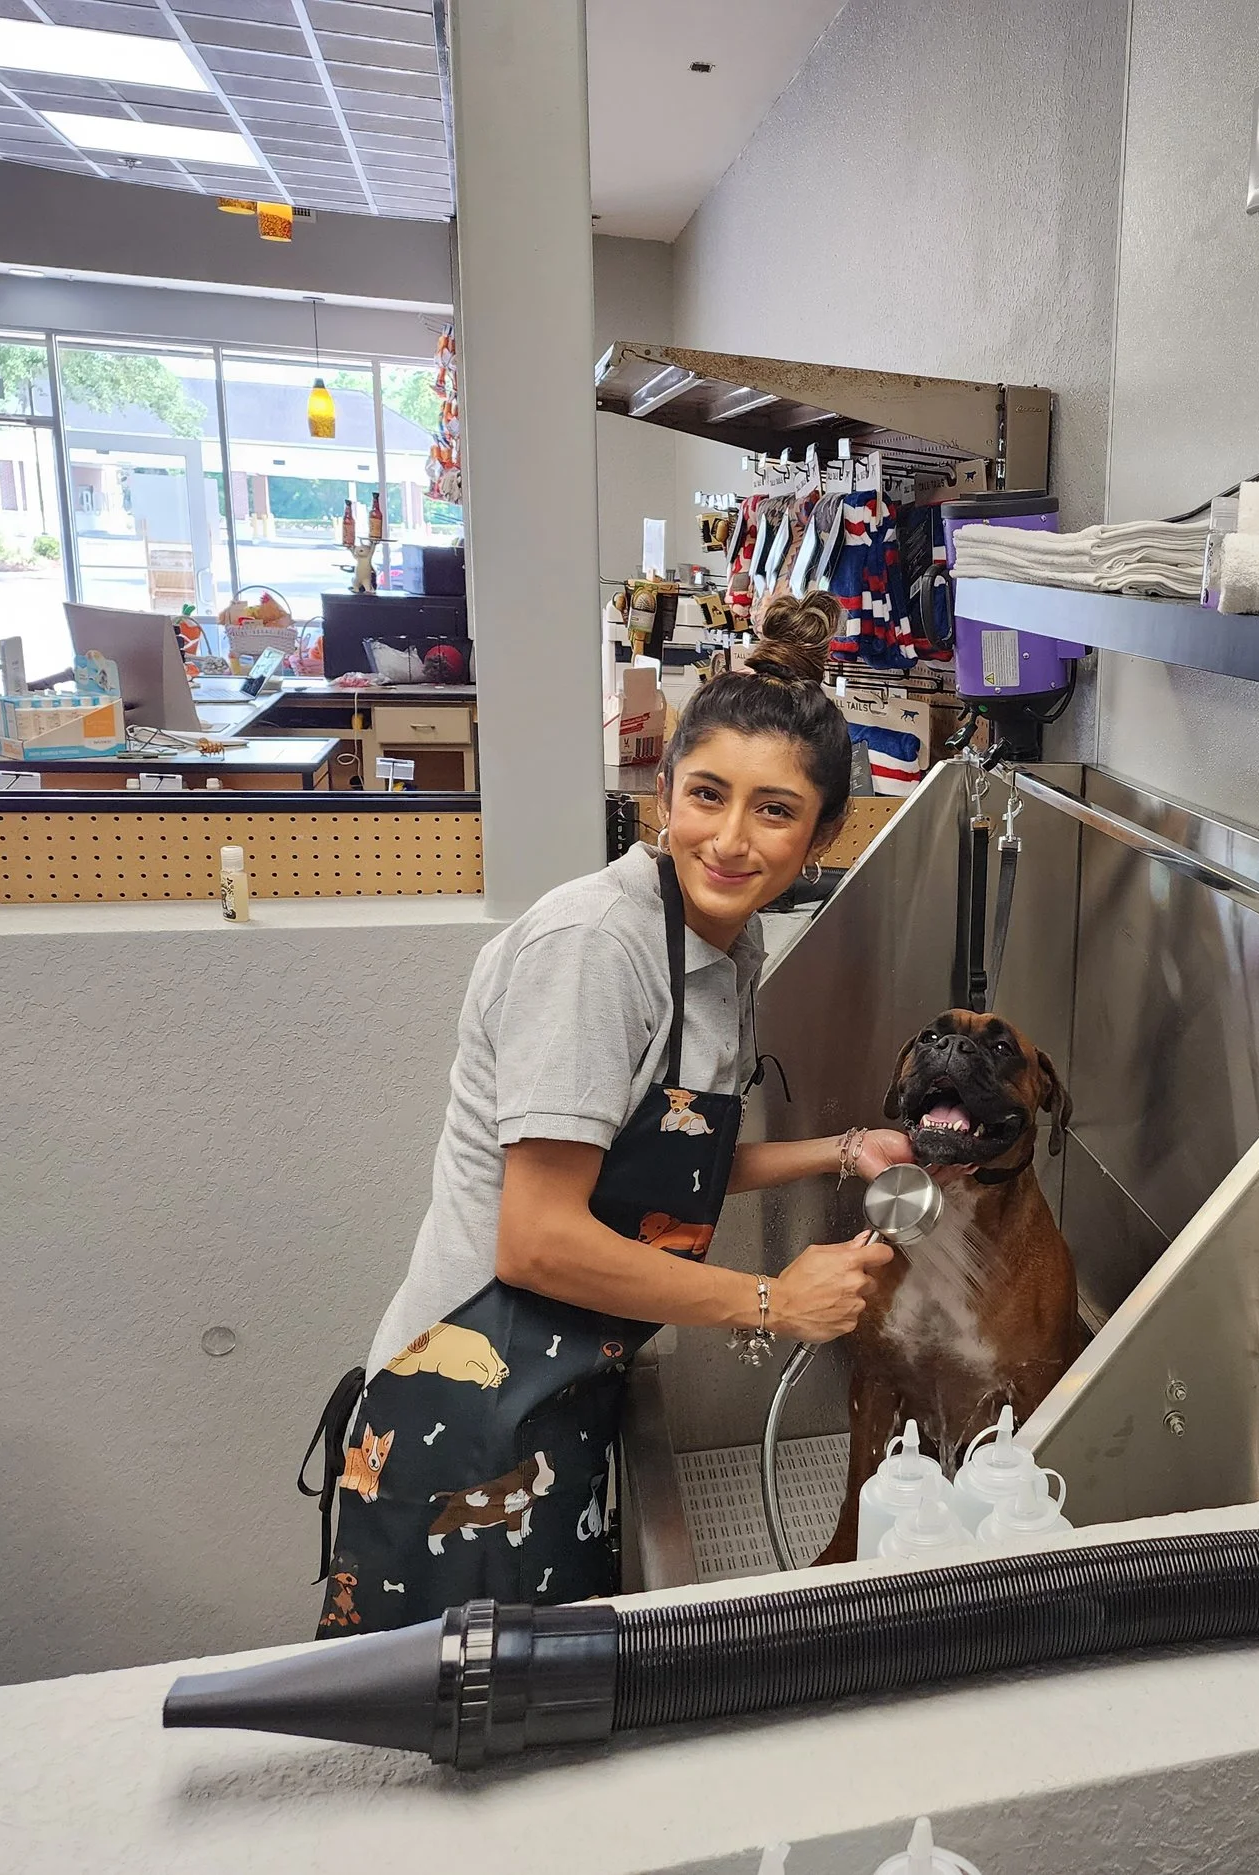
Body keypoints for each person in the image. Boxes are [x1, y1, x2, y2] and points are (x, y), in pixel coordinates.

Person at [307, 592, 904, 1634]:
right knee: (466, 1738)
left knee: (541, 1726)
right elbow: (538, 1241)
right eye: (706, 795)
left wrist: (843, 1153)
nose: (728, 839)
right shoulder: (596, 951)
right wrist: (771, 1302)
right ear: (661, 792)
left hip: (567, 1393)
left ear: (822, 835)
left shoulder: (720, 944)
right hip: (468, 1413)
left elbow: (660, 1163)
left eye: (772, 810)